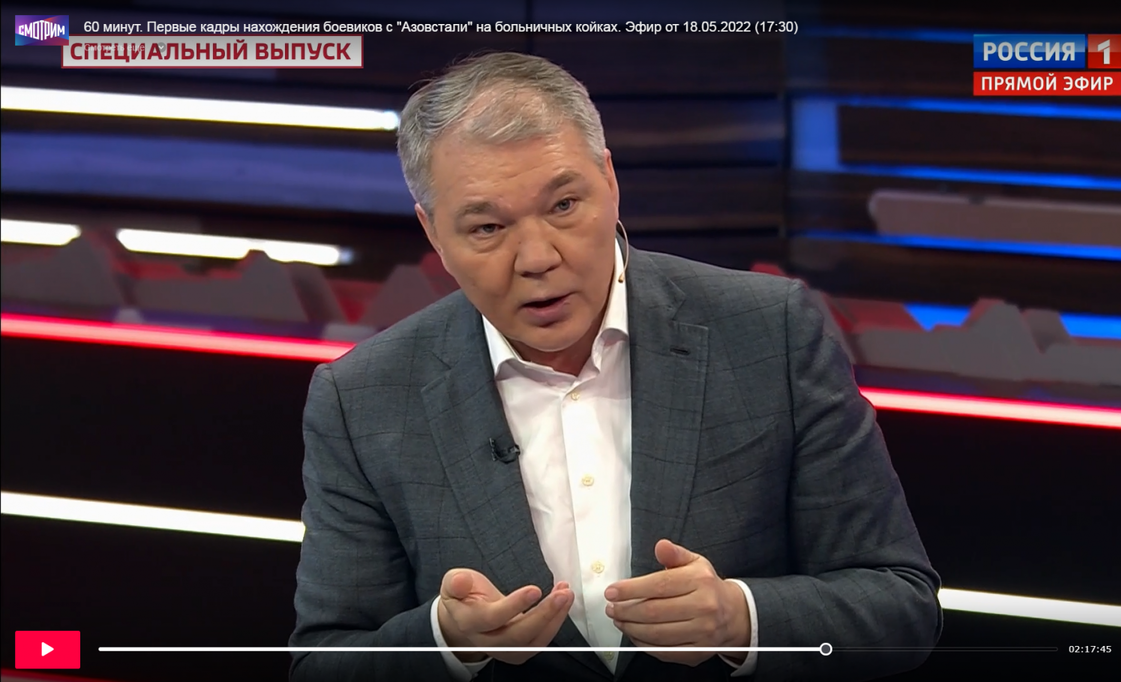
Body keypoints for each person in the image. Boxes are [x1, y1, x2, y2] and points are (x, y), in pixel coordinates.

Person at [288, 51, 941, 682]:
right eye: (487, 228)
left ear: (609, 181)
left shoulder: (771, 332)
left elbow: (900, 606)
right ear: (433, 233)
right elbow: (325, 660)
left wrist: (740, 619)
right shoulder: (363, 398)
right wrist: (446, 642)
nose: (538, 258)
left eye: (564, 206)